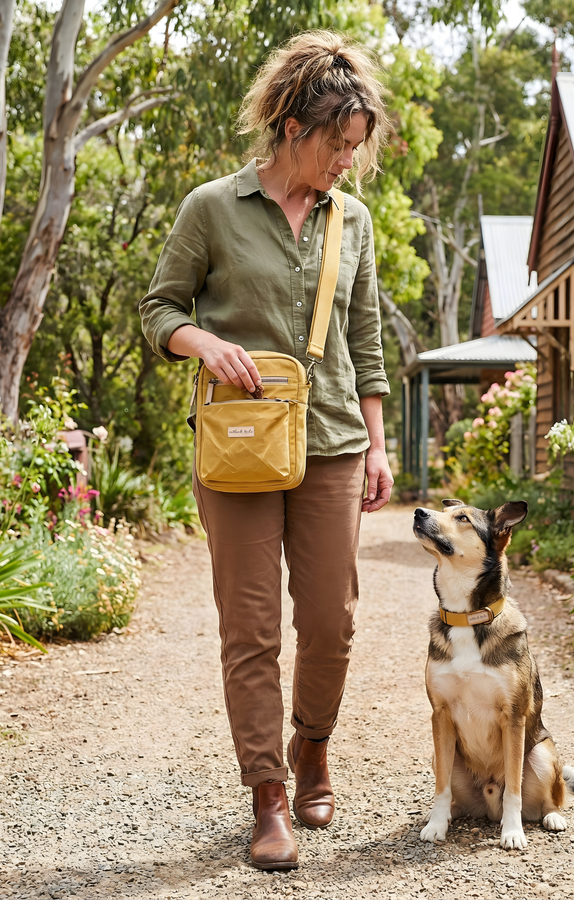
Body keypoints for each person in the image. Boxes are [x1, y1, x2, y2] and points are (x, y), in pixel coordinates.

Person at [139, 31, 393, 870]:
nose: (347, 163)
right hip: (240, 445)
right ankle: (269, 795)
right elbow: (159, 309)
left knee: (330, 622)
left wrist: (379, 444)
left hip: (332, 443)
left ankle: (312, 745)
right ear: (292, 128)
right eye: (337, 145)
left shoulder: (352, 221)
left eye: (355, 149)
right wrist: (203, 344)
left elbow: (365, 338)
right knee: (249, 630)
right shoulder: (211, 207)